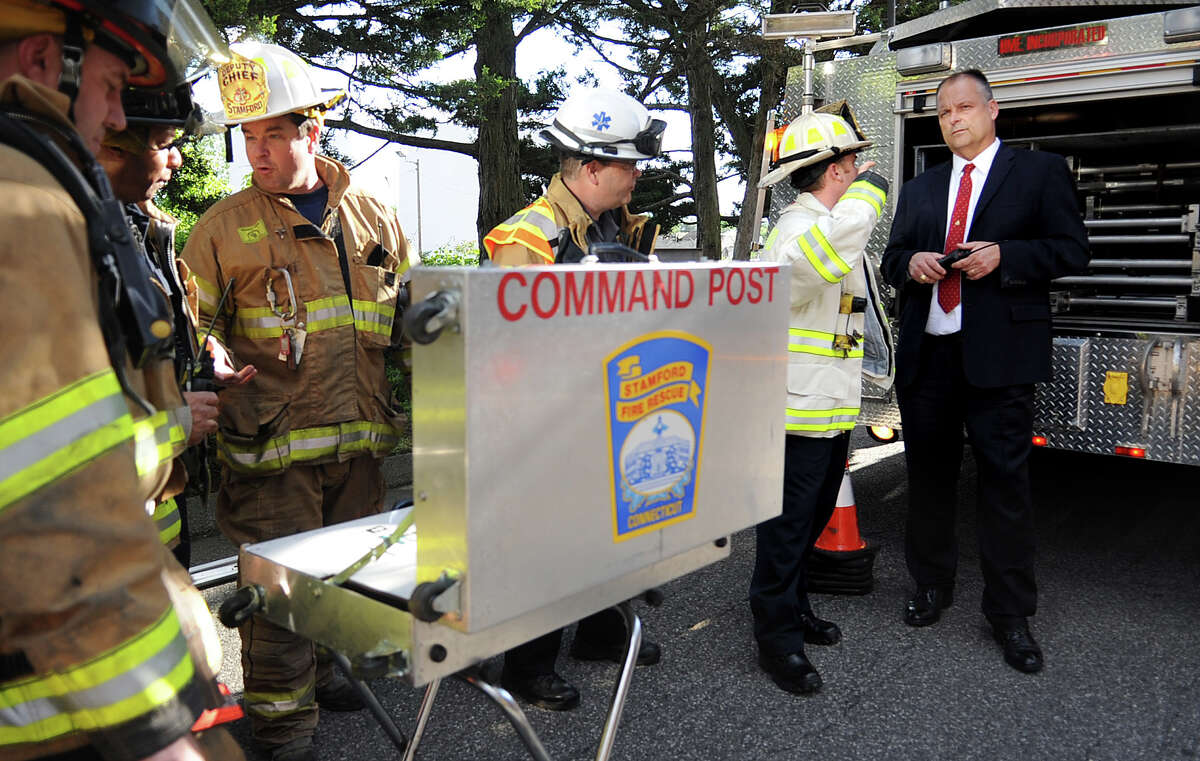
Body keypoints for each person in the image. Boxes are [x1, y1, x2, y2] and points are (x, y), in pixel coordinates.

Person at [0, 1, 238, 760]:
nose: (115, 116)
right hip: (63, 707)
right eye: (111, 86)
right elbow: (50, 497)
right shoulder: (23, 194)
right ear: (44, 61)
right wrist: (157, 729)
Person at [182, 41, 417, 761]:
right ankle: (283, 728)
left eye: (273, 134)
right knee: (280, 597)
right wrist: (207, 360)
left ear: (311, 132)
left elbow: (407, 324)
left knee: (347, 579)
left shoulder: (374, 216)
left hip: (361, 444)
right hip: (272, 455)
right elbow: (187, 329)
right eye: (248, 136)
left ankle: (330, 674)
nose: (256, 150)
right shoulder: (221, 230)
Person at [880, 69, 1089, 673]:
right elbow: (892, 259)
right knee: (929, 480)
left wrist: (1006, 255)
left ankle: (1010, 614)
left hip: (1001, 356)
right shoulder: (921, 187)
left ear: (993, 110)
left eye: (965, 107)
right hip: (929, 354)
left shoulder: (1038, 172)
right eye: (944, 112)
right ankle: (931, 586)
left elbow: (1072, 249)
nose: (954, 118)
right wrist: (912, 263)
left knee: (1004, 487)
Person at [481, 88, 665, 711]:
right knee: (545, 542)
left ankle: (600, 631)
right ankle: (528, 666)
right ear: (590, 168)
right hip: (545, 420)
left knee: (604, 528)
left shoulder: (619, 227)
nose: (637, 175)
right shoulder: (530, 237)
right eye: (627, 164)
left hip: (605, 408)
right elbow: (509, 347)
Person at [749, 105, 892, 694]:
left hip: (826, 410)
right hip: (795, 415)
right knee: (784, 534)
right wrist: (869, 197)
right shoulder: (799, 230)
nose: (858, 170)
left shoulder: (825, 226)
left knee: (805, 527)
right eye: (852, 163)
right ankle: (776, 641)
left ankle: (795, 609)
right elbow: (814, 265)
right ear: (834, 170)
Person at [96, 81, 225, 568]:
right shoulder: (67, 241)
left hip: (156, 515)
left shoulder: (135, 228)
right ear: (111, 145)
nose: (177, 160)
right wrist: (174, 423)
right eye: (166, 144)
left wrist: (203, 354)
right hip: (107, 545)